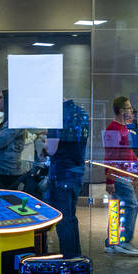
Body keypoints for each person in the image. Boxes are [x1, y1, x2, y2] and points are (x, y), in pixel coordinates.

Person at [103, 95, 138, 255]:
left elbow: (127, 153)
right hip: (118, 175)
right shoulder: (113, 129)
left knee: (116, 206)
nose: (131, 110)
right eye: (128, 108)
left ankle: (111, 242)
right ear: (121, 111)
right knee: (131, 204)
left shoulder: (123, 128)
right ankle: (123, 241)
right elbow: (110, 156)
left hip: (124, 174)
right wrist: (110, 179)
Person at [46, 99, 90, 257]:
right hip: (76, 173)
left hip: (61, 174)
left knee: (63, 220)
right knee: (71, 218)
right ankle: (76, 258)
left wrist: (42, 145)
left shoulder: (57, 116)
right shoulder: (82, 113)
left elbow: (51, 149)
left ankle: (69, 259)